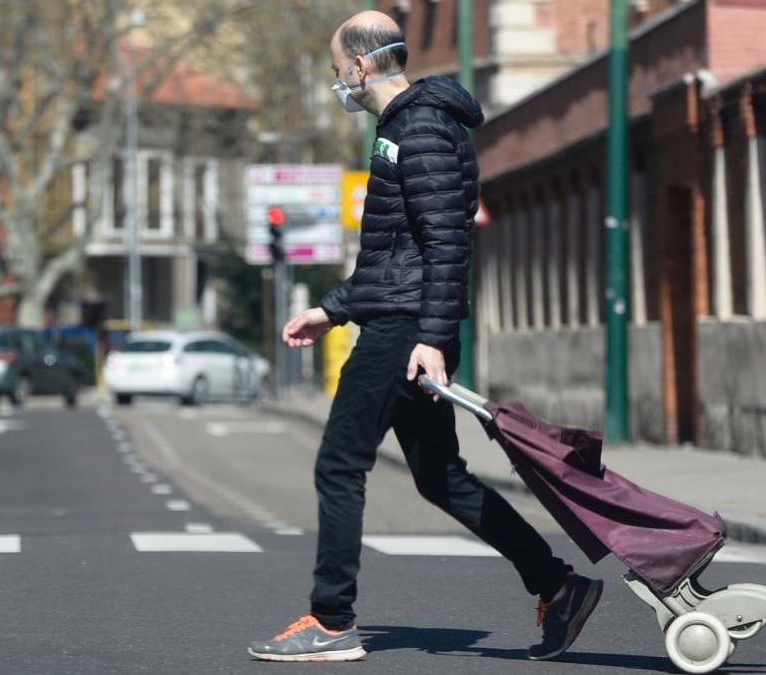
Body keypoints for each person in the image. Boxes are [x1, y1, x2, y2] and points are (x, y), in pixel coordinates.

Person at [247, 10, 603, 664]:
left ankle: (331, 620)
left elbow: (446, 242)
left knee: (339, 462)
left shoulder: (422, 128)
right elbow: (395, 254)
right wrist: (330, 309)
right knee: (440, 476)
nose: (337, 81)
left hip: (407, 331)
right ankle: (559, 585)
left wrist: (432, 336)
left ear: (358, 65)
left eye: (336, 69)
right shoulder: (404, 127)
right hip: (408, 320)